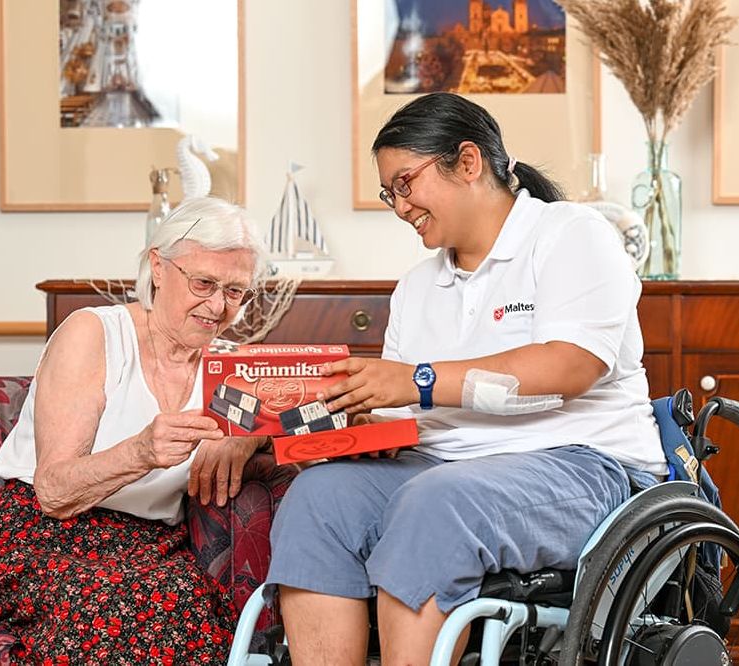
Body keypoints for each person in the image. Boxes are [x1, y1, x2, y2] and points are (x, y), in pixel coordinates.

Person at [264, 92, 667, 665]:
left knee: (436, 504)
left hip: (580, 462)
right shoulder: (418, 287)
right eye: (389, 193)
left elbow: (571, 365)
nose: (399, 206)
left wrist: (418, 380)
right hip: (443, 466)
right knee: (318, 499)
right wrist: (356, 427)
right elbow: (408, 417)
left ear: (469, 162)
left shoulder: (571, 234)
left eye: (405, 183)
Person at [0, 197, 271, 664]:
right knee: (110, 604)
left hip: (149, 547)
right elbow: (53, 490)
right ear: (158, 268)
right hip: (41, 536)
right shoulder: (94, 334)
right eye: (203, 282)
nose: (218, 305)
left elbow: (305, 431)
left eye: (236, 291)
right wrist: (141, 451)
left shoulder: (230, 368)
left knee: (190, 604)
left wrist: (248, 436)